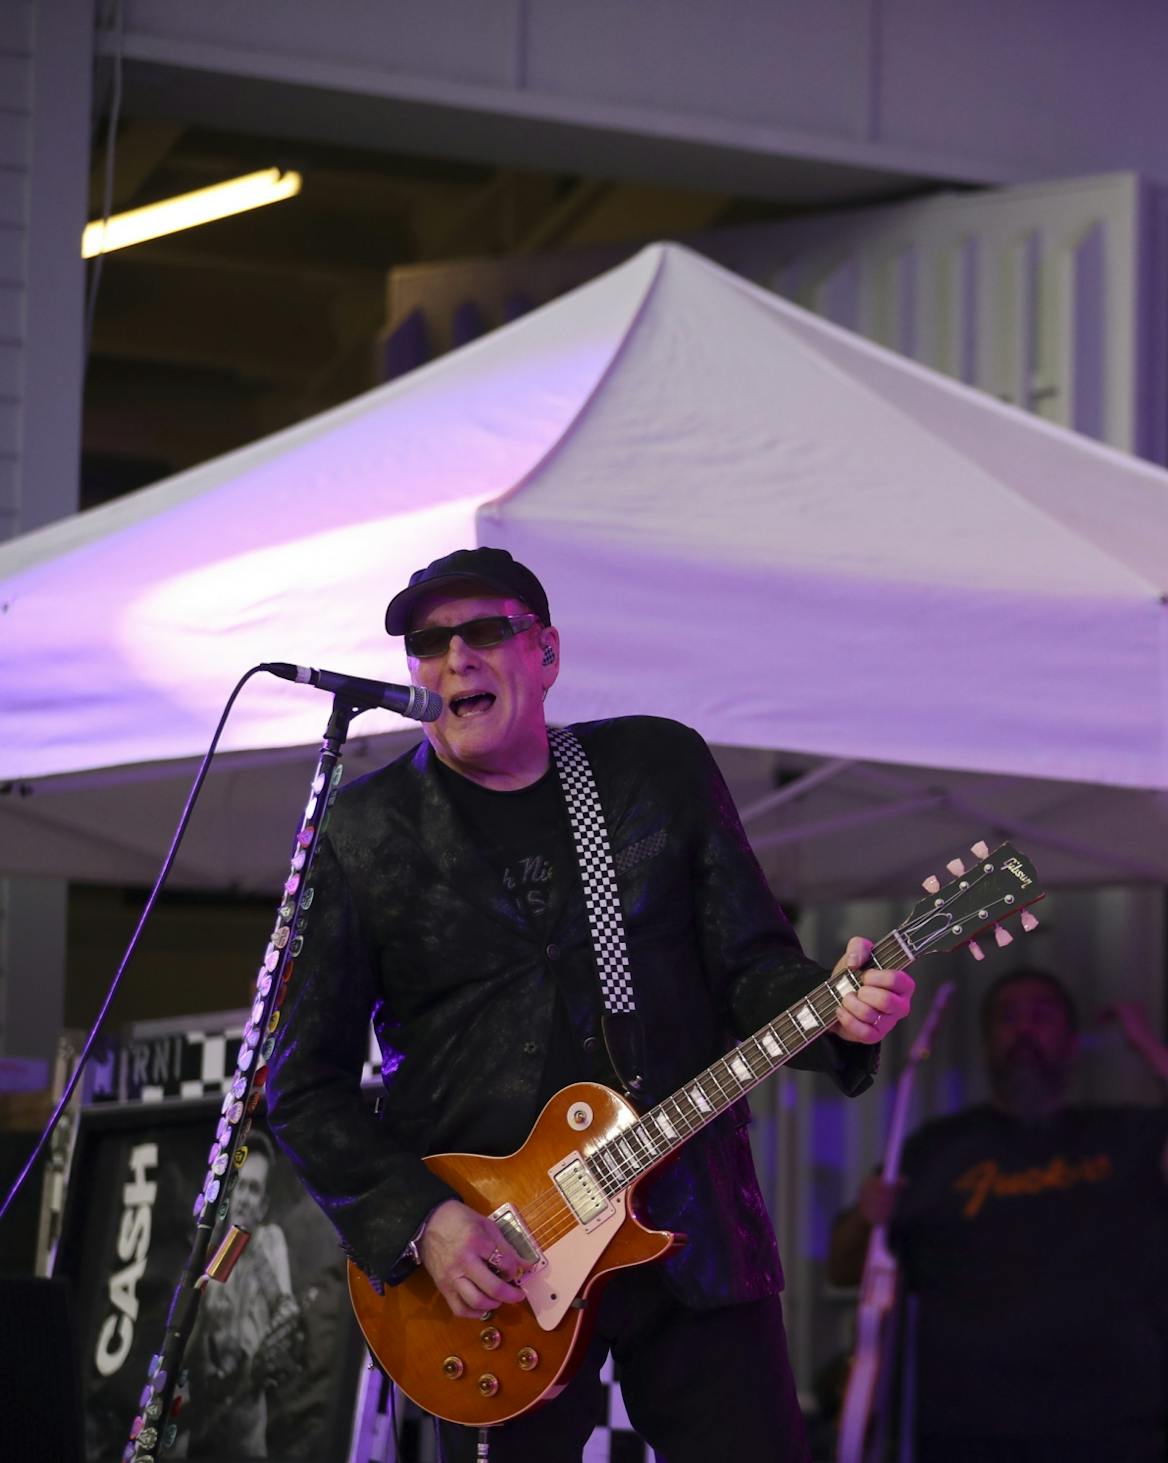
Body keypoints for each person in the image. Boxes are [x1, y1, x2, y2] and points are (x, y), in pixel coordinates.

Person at [266, 546, 915, 1462]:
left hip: (688, 1220)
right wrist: (423, 1221)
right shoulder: (364, 831)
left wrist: (835, 1005)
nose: (456, 658)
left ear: (547, 652)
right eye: (429, 643)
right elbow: (302, 1087)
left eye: (483, 631)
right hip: (495, 1268)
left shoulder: (653, 769)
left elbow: (749, 965)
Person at [827, 966, 1168, 1463]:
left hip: (1108, 1428)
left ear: (1072, 1041)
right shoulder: (933, 1149)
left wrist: (1145, 1044)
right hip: (961, 1430)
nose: (1024, 1029)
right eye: (1008, 1018)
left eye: (1041, 1016)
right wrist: (866, 1216)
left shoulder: (1123, 1136)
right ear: (986, 1041)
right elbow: (843, 1268)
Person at [190, 1144, 303, 1457]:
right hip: (204, 1427)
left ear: (263, 1205)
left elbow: (286, 1309)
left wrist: (252, 1369)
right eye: (239, 1185)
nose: (243, 1198)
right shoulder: (211, 1252)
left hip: (247, 1434)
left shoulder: (268, 1241)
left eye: (253, 1189)